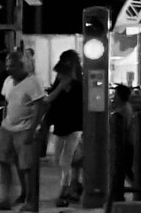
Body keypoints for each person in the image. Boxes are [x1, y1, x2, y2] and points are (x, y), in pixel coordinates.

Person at [0, 48, 44, 213]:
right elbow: (8, 103)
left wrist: (33, 129)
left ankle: (30, 200)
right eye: (8, 65)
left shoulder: (33, 82)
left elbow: (39, 107)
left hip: (25, 128)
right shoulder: (7, 81)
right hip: (7, 127)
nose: (9, 68)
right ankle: (7, 198)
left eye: (12, 66)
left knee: (27, 167)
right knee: (3, 162)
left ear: (22, 66)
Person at [43, 52, 80, 204]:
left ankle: (65, 191)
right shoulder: (58, 86)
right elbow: (48, 99)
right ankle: (71, 188)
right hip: (60, 128)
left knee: (67, 161)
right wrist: (59, 88)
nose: (60, 76)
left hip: (74, 128)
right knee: (58, 160)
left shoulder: (78, 87)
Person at [106, 86, 134, 207]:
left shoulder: (123, 111)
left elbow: (121, 128)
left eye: (116, 94)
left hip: (124, 144)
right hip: (124, 144)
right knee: (125, 171)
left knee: (124, 170)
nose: (114, 97)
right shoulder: (123, 108)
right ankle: (122, 192)